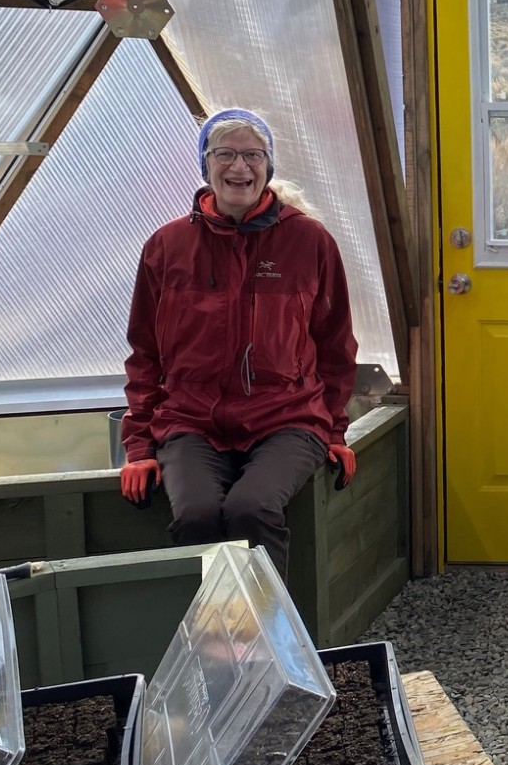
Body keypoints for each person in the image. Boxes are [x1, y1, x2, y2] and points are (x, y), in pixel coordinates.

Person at [118, 107, 359, 575]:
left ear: (269, 167)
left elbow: (335, 345)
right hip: (190, 419)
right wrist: (140, 448)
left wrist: (334, 432)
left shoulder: (308, 241)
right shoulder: (168, 246)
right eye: (224, 153)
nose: (239, 167)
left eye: (253, 155)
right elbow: (145, 353)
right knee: (197, 517)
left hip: (286, 417)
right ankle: (211, 644)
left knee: (252, 510)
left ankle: (269, 643)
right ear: (205, 165)